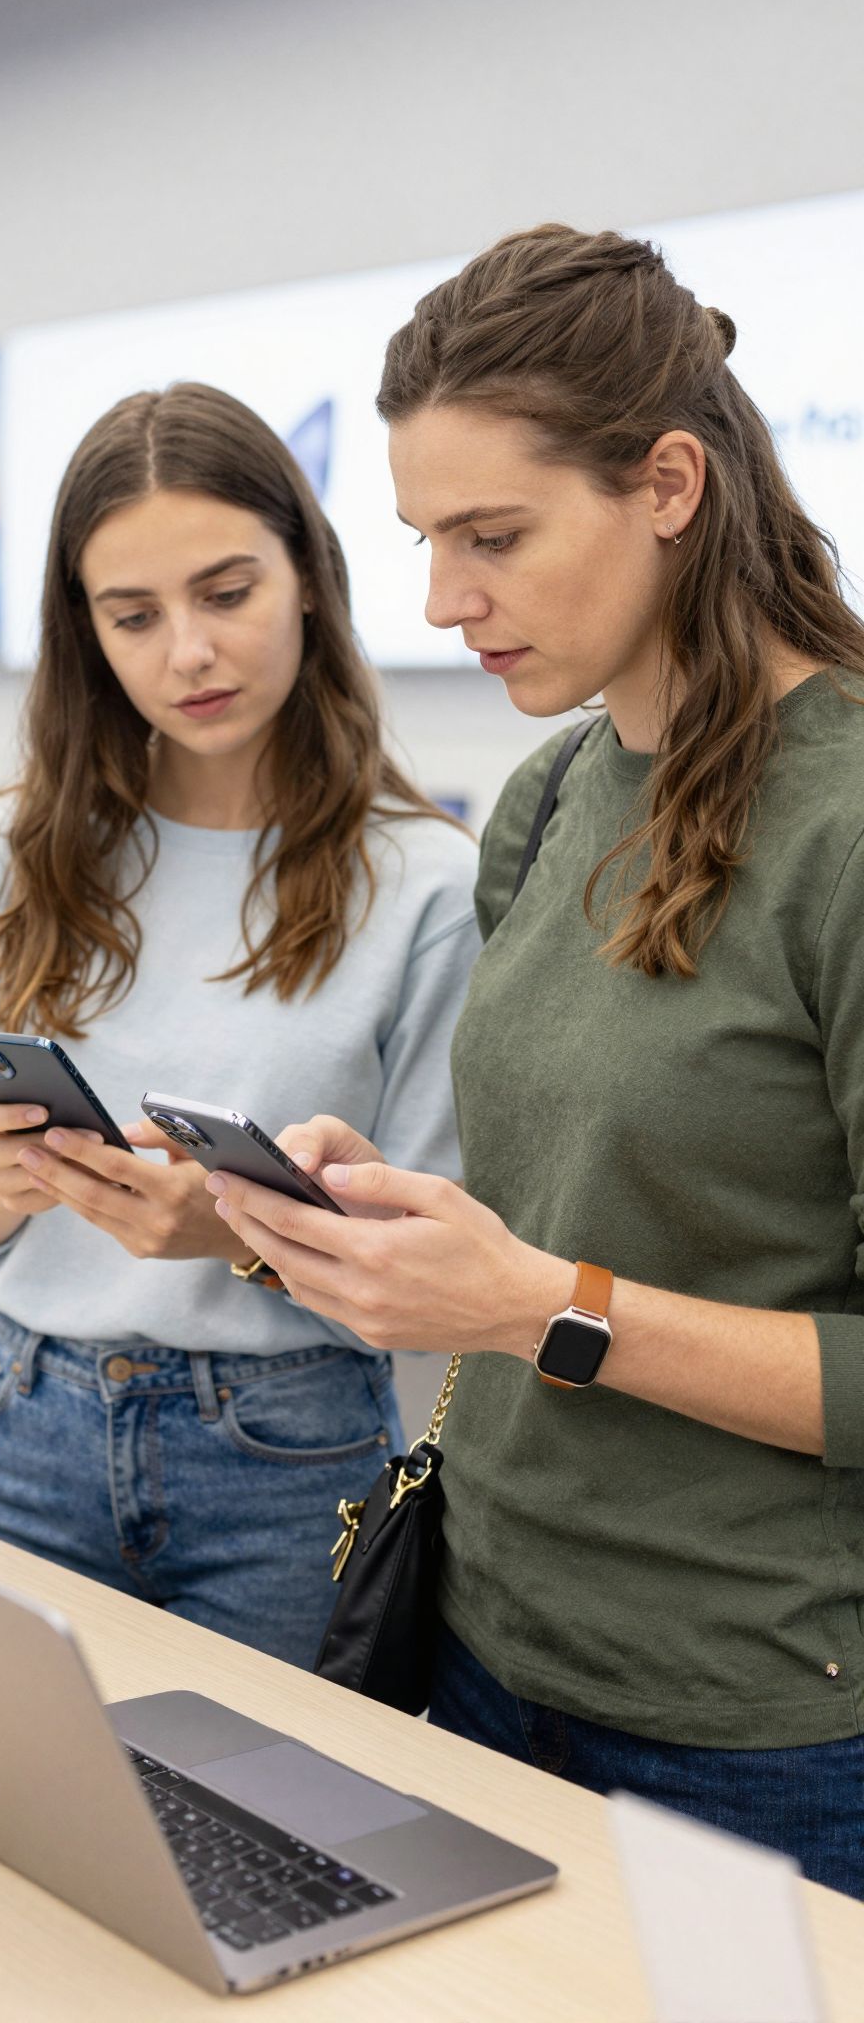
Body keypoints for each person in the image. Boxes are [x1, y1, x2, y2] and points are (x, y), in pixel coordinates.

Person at [207, 228, 864, 1894]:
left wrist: (528, 1303)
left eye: (492, 536)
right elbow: (578, 1198)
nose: (441, 599)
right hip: (483, 1640)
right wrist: (396, 1221)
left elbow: (563, 1287)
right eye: (427, 538)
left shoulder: (845, 826)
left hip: (753, 1724)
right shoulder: (552, 797)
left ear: (666, 482)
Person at [0, 381, 478, 1668]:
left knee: (278, 1848)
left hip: (287, 1455)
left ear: (308, 578)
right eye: (134, 615)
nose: (189, 655)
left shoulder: (426, 879)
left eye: (227, 593)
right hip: (22, 1417)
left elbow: (435, 1282)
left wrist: (239, 1230)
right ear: (86, 631)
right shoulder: (17, 847)